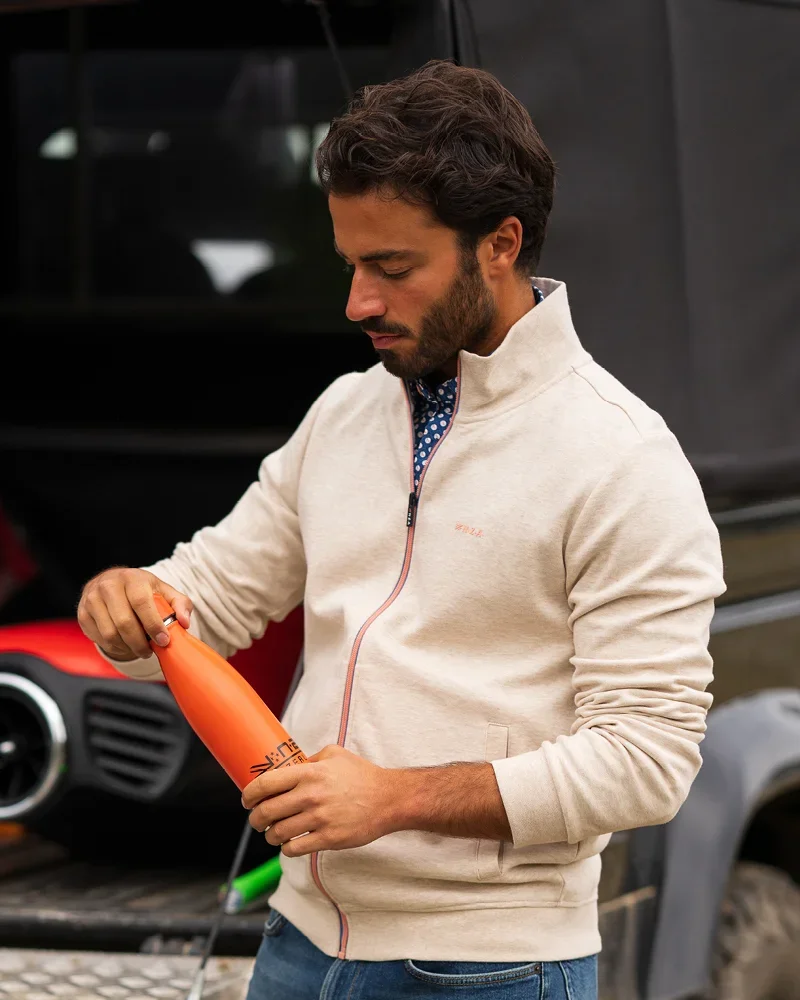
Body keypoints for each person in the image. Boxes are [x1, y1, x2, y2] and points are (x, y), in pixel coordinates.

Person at [77, 60, 725, 1000]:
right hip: (298, 947)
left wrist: (396, 797)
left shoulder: (623, 460)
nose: (358, 303)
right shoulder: (344, 413)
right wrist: (128, 600)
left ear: (499, 244)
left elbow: (646, 763)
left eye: (392, 268)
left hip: (491, 967)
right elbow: (201, 601)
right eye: (351, 264)